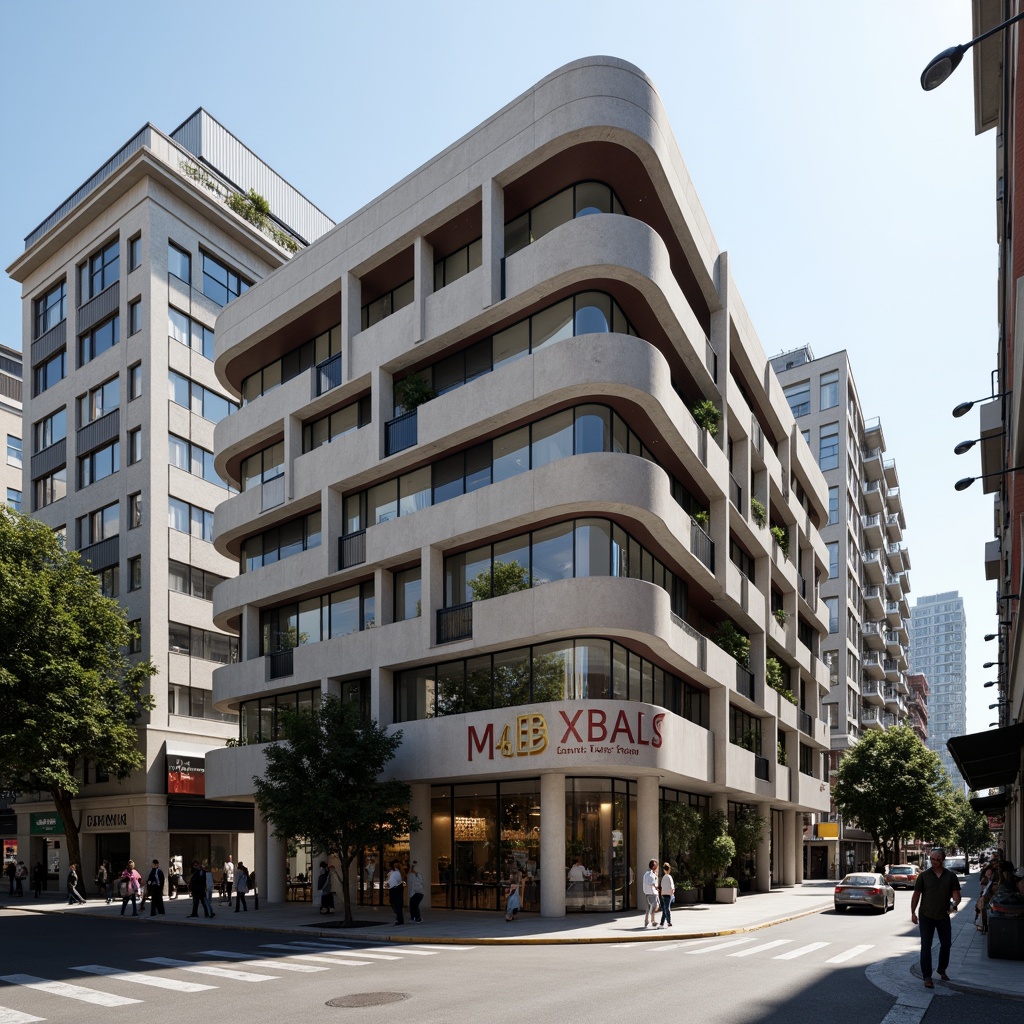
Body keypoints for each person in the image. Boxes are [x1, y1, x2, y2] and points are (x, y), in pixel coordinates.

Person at [910, 848, 961, 988]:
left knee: (946, 944)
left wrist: (954, 904)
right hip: (926, 915)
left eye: (937, 859)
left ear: (942, 860)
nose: (934, 862)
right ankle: (927, 977)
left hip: (943, 915)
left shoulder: (950, 876)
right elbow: (916, 894)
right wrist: (913, 912)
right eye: (932, 859)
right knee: (926, 946)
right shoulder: (924, 875)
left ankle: (941, 969)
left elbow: (956, 895)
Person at [642, 859, 660, 928]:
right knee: (654, 905)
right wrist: (656, 887)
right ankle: (652, 920)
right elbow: (652, 883)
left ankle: (648, 921)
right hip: (652, 892)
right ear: (653, 866)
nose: (656, 867)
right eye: (656, 866)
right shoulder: (650, 874)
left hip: (648, 892)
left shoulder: (648, 873)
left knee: (648, 907)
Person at [386, 860, 405, 925]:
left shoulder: (395, 873)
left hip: (394, 889)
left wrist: (388, 884)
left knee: (396, 905)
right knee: (396, 905)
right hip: (396, 889)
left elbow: (391, 881)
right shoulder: (396, 872)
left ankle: (399, 919)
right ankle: (399, 918)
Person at [658, 861, 675, 929]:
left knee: (665, 909)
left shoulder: (663, 878)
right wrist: (672, 892)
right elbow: (672, 886)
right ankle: (668, 922)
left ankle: (662, 923)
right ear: (669, 869)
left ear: (664, 870)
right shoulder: (669, 877)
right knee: (666, 908)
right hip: (668, 894)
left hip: (663, 894)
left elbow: (661, 886)